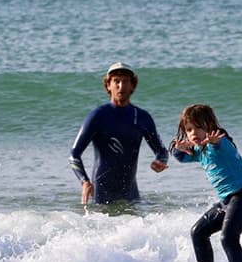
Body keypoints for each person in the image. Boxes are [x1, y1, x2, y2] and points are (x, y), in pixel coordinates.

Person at [169, 104, 242, 262]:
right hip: (228, 201)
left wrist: (213, 141)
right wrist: (178, 147)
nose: (193, 133)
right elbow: (180, 156)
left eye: (198, 127)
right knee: (198, 232)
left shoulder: (220, 144)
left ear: (210, 125)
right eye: (189, 129)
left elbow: (218, 144)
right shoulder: (200, 152)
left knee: (228, 237)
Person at [69, 62, 169, 205]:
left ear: (132, 86)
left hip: (131, 196)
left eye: (125, 81)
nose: (121, 86)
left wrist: (160, 161)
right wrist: (84, 181)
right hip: (101, 196)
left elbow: (162, 151)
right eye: (116, 81)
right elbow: (74, 154)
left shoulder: (142, 117)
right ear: (108, 85)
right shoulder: (98, 116)